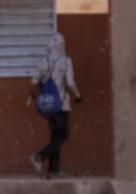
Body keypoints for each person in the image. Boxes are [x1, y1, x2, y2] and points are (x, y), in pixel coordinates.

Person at [29, 32, 82, 179]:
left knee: (55, 138)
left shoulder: (43, 62)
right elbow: (70, 83)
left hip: (48, 105)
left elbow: (33, 81)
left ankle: (54, 171)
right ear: (61, 46)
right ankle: (39, 156)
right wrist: (77, 96)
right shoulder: (66, 61)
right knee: (63, 136)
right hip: (61, 105)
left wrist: (44, 85)